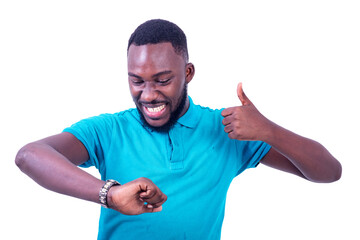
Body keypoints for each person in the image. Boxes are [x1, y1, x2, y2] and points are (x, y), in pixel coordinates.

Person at [15, 19, 342, 240]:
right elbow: (30, 155)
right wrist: (110, 194)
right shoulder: (109, 130)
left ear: (187, 72)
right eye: (136, 80)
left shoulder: (226, 130)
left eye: (163, 80)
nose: (148, 94)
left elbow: (328, 172)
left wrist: (269, 130)